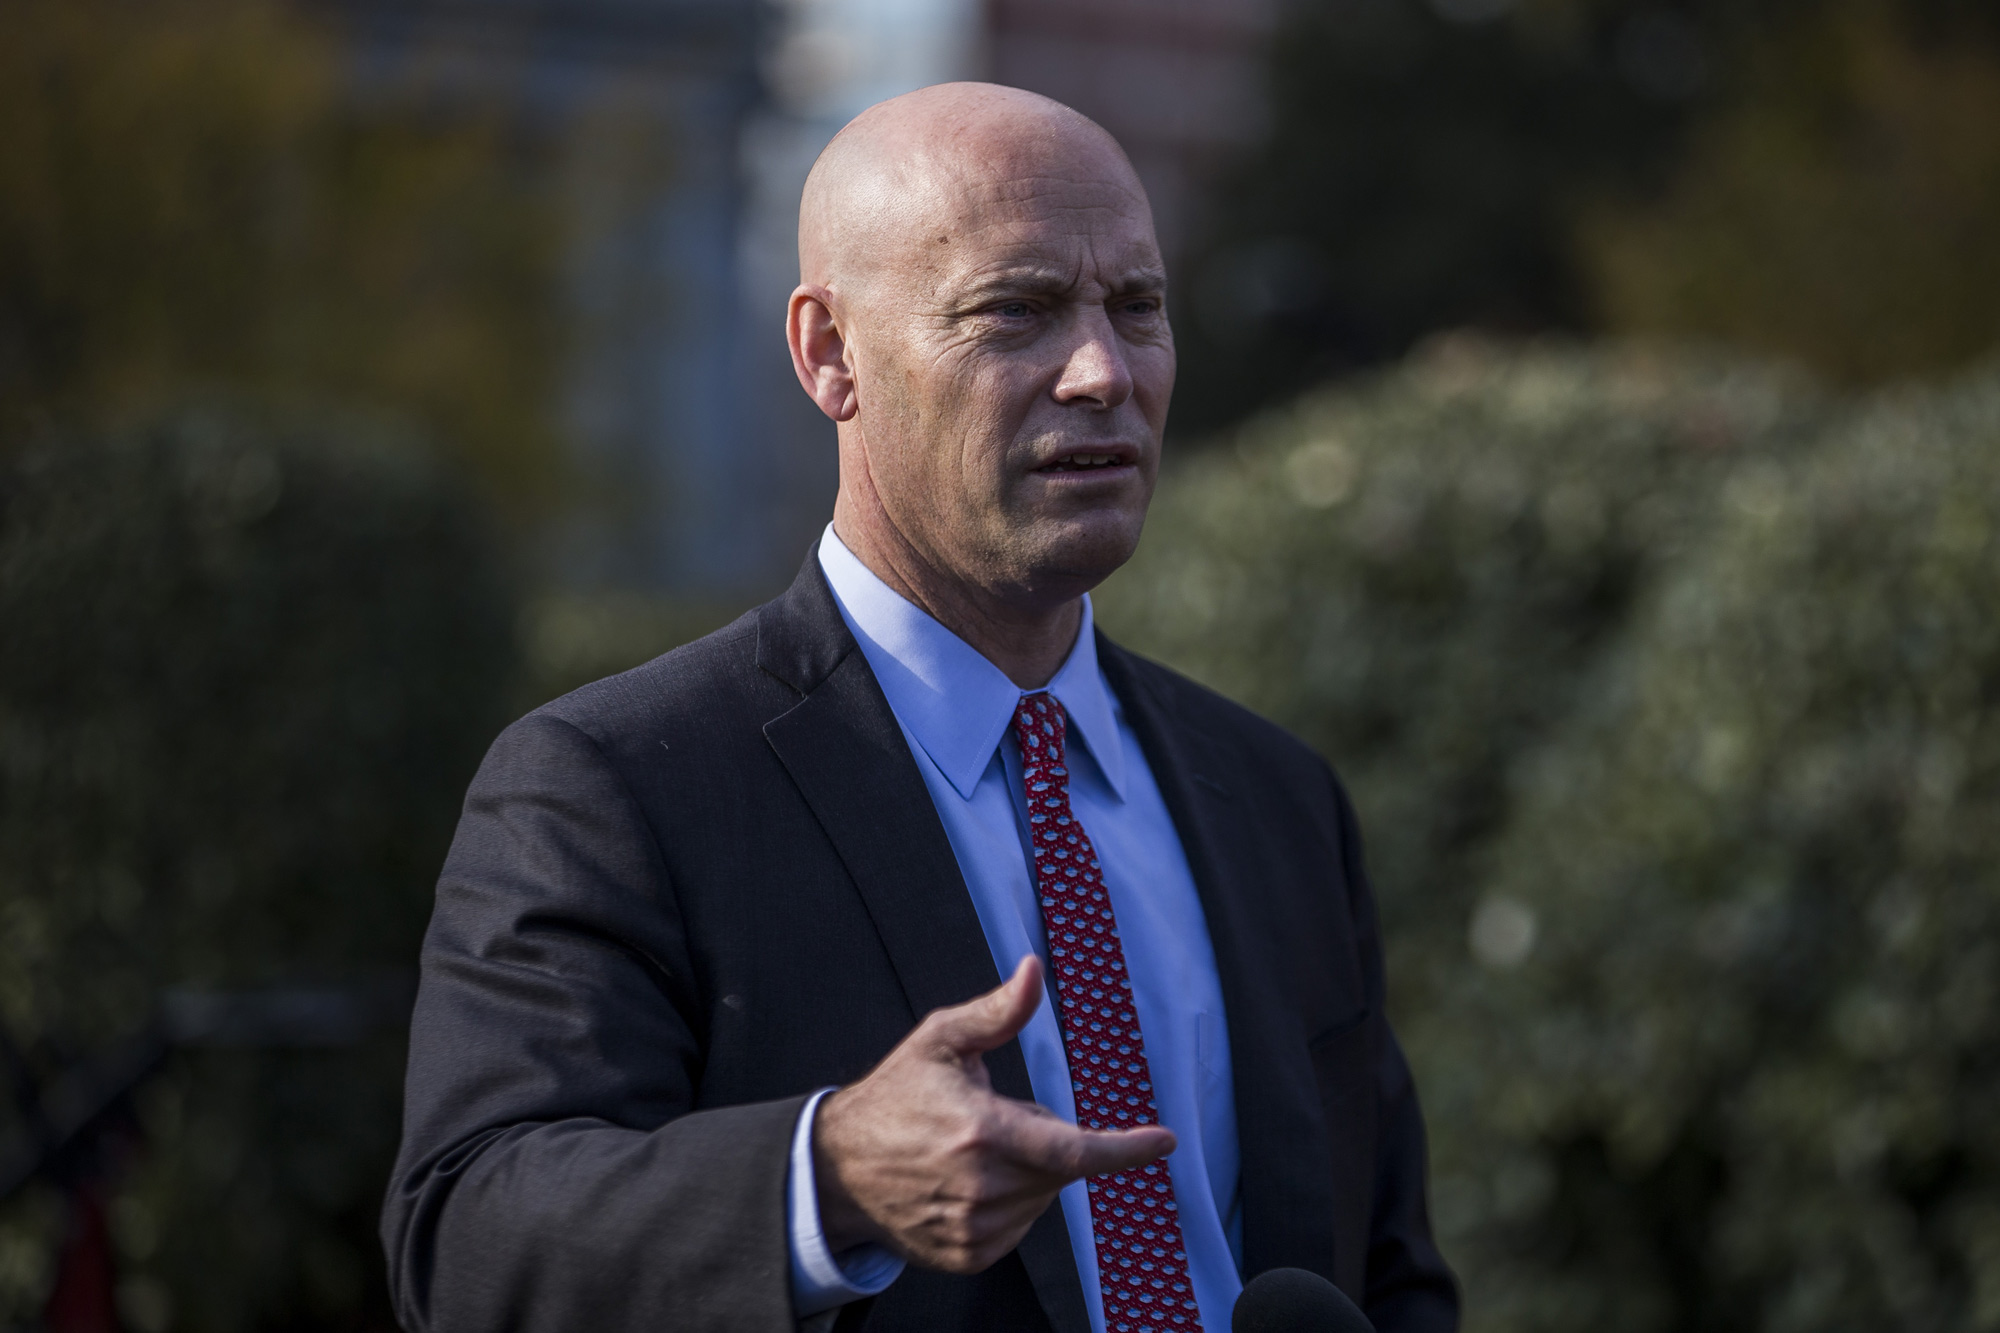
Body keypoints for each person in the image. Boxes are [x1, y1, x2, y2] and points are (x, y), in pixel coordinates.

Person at [381, 83, 1458, 1333]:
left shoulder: (1274, 797)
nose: (1103, 371)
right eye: (1018, 311)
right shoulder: (616, 785)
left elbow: (1385, 1273)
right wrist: (826, 1178)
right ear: (829, 354)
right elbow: (466, 1242)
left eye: (1139, 306)